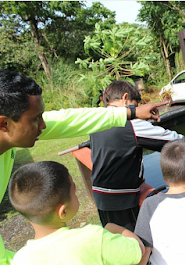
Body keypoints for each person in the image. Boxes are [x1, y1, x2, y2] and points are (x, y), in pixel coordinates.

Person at [0, 70, 166, 264]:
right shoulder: (93, 239)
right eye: (37, 118)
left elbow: (68, 120)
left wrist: (131, 112)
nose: (44, 125)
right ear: (4, 124)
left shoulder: (25, 257)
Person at [90, 80, 183, 232]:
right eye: (135, 105)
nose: (137, 110)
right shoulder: (131, 124)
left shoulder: (97, 120)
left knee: (115, 240)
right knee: (136, 245)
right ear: (125, 98)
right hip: (122, 200)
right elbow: (177, 141)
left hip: (101, 196)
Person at [8, 161, 145, 265]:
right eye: (74, 189)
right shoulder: (93, 238)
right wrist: (115, 229)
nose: (77, 191)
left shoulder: (20, 259)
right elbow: (137, 251)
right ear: (63, 211)